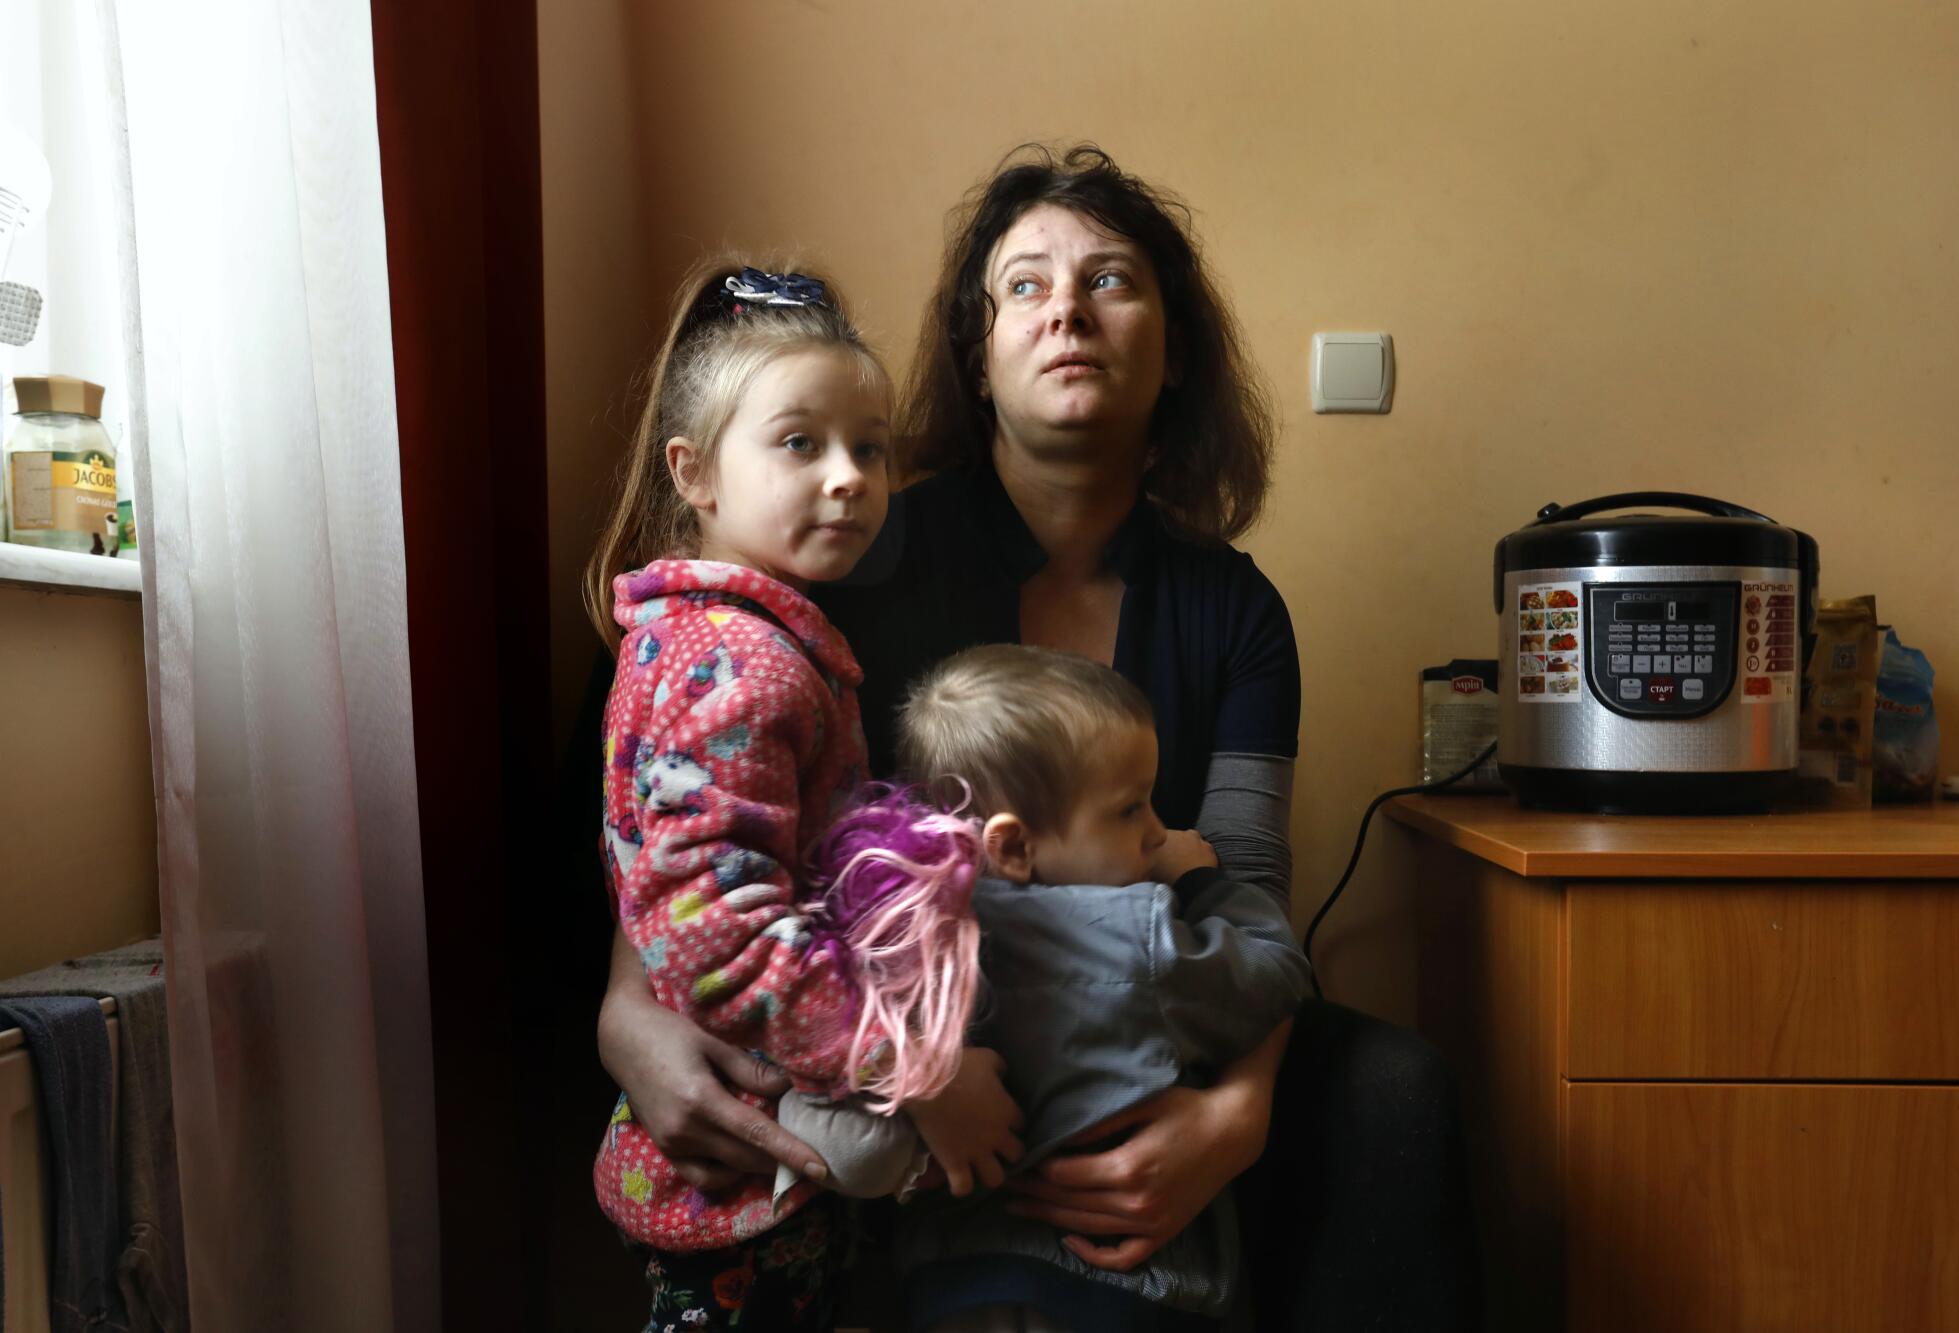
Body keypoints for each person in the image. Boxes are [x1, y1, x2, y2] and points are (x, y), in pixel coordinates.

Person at [595, 146, 1479, 1330]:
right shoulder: (850, 545)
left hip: (1144, 1001)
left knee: (1394, 1087)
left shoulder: (1235, 610)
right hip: (909, 1024)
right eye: (1023, 285)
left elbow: (1246, 884)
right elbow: (689, 790)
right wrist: (626, 1015)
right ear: (978, 351)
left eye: (1110, 280)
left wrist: (1232, 1117)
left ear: (1174, 352)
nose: (1065, 307)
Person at [585, 260, 1013, 1332]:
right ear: (694, 475)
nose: (849, 476)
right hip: (743, 1166)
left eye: (869, 448)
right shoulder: (744, 665)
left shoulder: (710, 641)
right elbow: (713, 935)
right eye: (798, 442)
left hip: (760, 1143)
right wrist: (919, 1072)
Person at [893, 644, 1313, 1332]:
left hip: (948, 1277)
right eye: (1130, 809)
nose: (1155, 830)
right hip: (1114, 1282)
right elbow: (1276, 972)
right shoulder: (1135, 939)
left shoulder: (902, 935)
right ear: (1014, 847)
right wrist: (1201, 880)